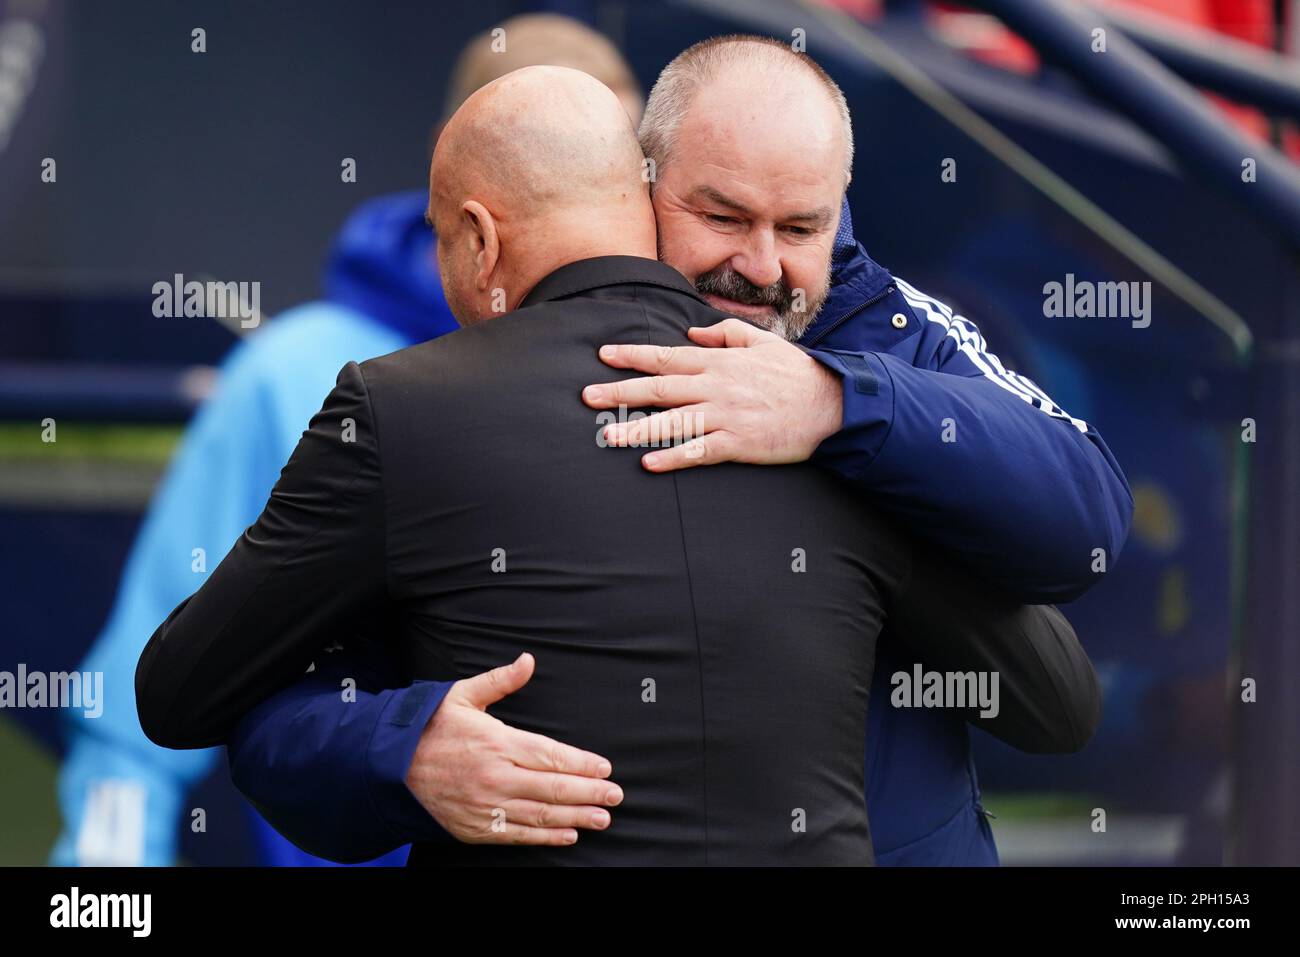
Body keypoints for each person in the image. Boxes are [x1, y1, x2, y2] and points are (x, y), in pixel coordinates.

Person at [136, 65, 1098, 865]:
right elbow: (253, 695)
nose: (760, 268)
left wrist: (844, 408)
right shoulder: (435, 412)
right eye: (721, 215)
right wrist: (406, 746)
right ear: (638, 190)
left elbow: (1077, 577)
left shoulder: (871, 383)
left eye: (800, 228)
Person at [49, 13, 642, 867]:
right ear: (466, 182)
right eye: (558, 163)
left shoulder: (686, 371)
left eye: (618, 169)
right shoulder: (294, 372)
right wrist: (100, 890)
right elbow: (137, 713)